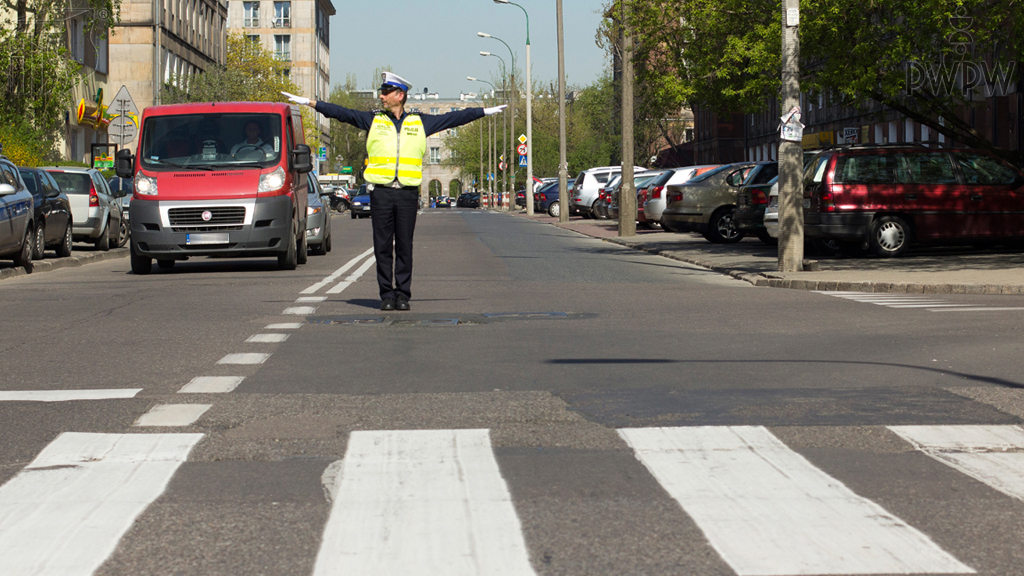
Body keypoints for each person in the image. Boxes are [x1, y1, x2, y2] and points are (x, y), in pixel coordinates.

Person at [282, 72, 505, 311]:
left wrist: (483, 111)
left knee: (405, 246)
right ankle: (387, 295)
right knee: (383, 245)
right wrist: (309, 103)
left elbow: (454, 118)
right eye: (382, 92)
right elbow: (341, 113)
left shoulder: (420, 122)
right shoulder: (374, 119)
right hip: (381, 193)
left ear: (400, 96)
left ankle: (403, 295)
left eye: (386, 92)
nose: (381, 96)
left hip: (408, 194)